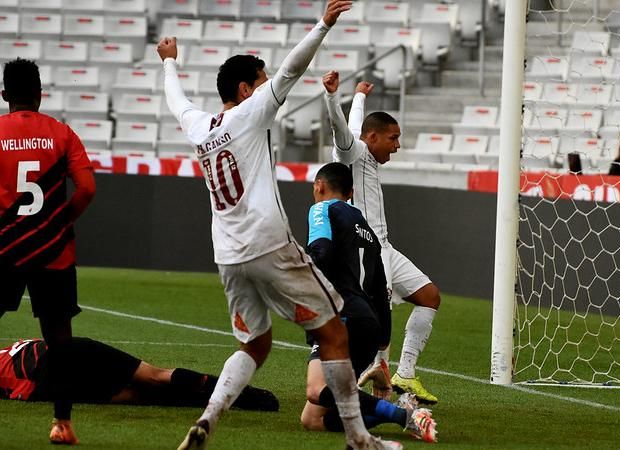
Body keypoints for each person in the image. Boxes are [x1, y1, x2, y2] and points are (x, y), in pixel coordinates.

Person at [157, 2, 400, 449]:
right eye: (262, 81)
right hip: (268, 244)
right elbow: (292, 69)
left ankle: (209, 416)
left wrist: (170, 61)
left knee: (256, 344)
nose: (271, 85)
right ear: (247, 89)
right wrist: (323, 25)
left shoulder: (199, 126)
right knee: (334, 330)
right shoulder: (250, 114)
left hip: (228, 255)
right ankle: (358, 438)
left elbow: (176, 101)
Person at [323, 71, 442, 405]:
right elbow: (341, 130)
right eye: (393, 138)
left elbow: (356, 125)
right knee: (377, 315)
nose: (398, 145)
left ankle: (404, 373)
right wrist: (333, 96)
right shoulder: (352, 153)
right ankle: (372, 381)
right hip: (366, 250)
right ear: (372, 138)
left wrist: (359, 95)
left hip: (385, 246)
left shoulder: (366, 151)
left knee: (429, 296)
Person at [301, 163, 436, 443]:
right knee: (313, 419)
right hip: (368, 324)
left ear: (318, 186)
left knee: (317, 389)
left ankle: (404, 416)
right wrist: (381, 345)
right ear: (351, 193)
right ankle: (399, 411)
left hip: (340, 317)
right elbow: (379, 289)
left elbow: (320, 251)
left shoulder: (322, 209)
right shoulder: (368, 232)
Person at [0, 58, 96, 445]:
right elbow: (87, 189)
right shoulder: (62, 134)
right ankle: (62, 423)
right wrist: (63, 221)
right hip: (53, 250)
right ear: (40, 94)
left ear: (5, 95)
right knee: (59, 338)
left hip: (4, 247)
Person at [0, 337, 279, 411]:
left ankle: (240, 395)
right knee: (153, 381)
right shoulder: (6, 352)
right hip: (61, 360)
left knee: (145, 390)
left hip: (49, 375)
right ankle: (240, 395)